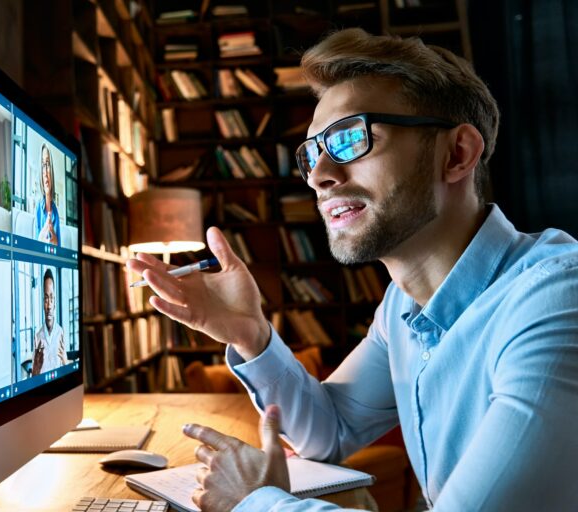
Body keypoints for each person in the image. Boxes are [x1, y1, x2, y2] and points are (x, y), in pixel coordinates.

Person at [127, 28, 578, 511]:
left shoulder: (556, 298)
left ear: (457, 154)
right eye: (311, 153)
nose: (320, 175)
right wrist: (251, 334)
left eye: (351, 139)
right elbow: (330, 431)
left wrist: (255, 503)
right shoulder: (404, 306)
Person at [32, 268, 68, 376]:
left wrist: (65, 362)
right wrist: (35, 370)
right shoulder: (37, 337)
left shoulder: (61, 332)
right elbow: (34, 378)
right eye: (46, 299)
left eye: (51, 298)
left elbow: (66, 373)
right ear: (43, 303)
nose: (49, 305)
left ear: (55, 303)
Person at [36, 143, 60, 245]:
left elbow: (59, 247)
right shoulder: (38, 208)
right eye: (43, 165)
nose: (45, 172)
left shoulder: (55, 212)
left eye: (48, 164)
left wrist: (55, 240)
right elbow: (34, 248)